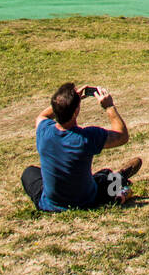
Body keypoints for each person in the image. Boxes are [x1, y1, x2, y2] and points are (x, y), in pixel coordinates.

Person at [21, 82, 141, 212]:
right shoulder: (86, 138)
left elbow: (42, 116)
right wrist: (109, 106)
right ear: (75, 112)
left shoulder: (44, 130)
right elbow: (122, 136)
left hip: (50, 204)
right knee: (105, 176)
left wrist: (63, 103)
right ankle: (121, 178)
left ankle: (116, 180)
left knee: (29, 172)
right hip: (86, 201)